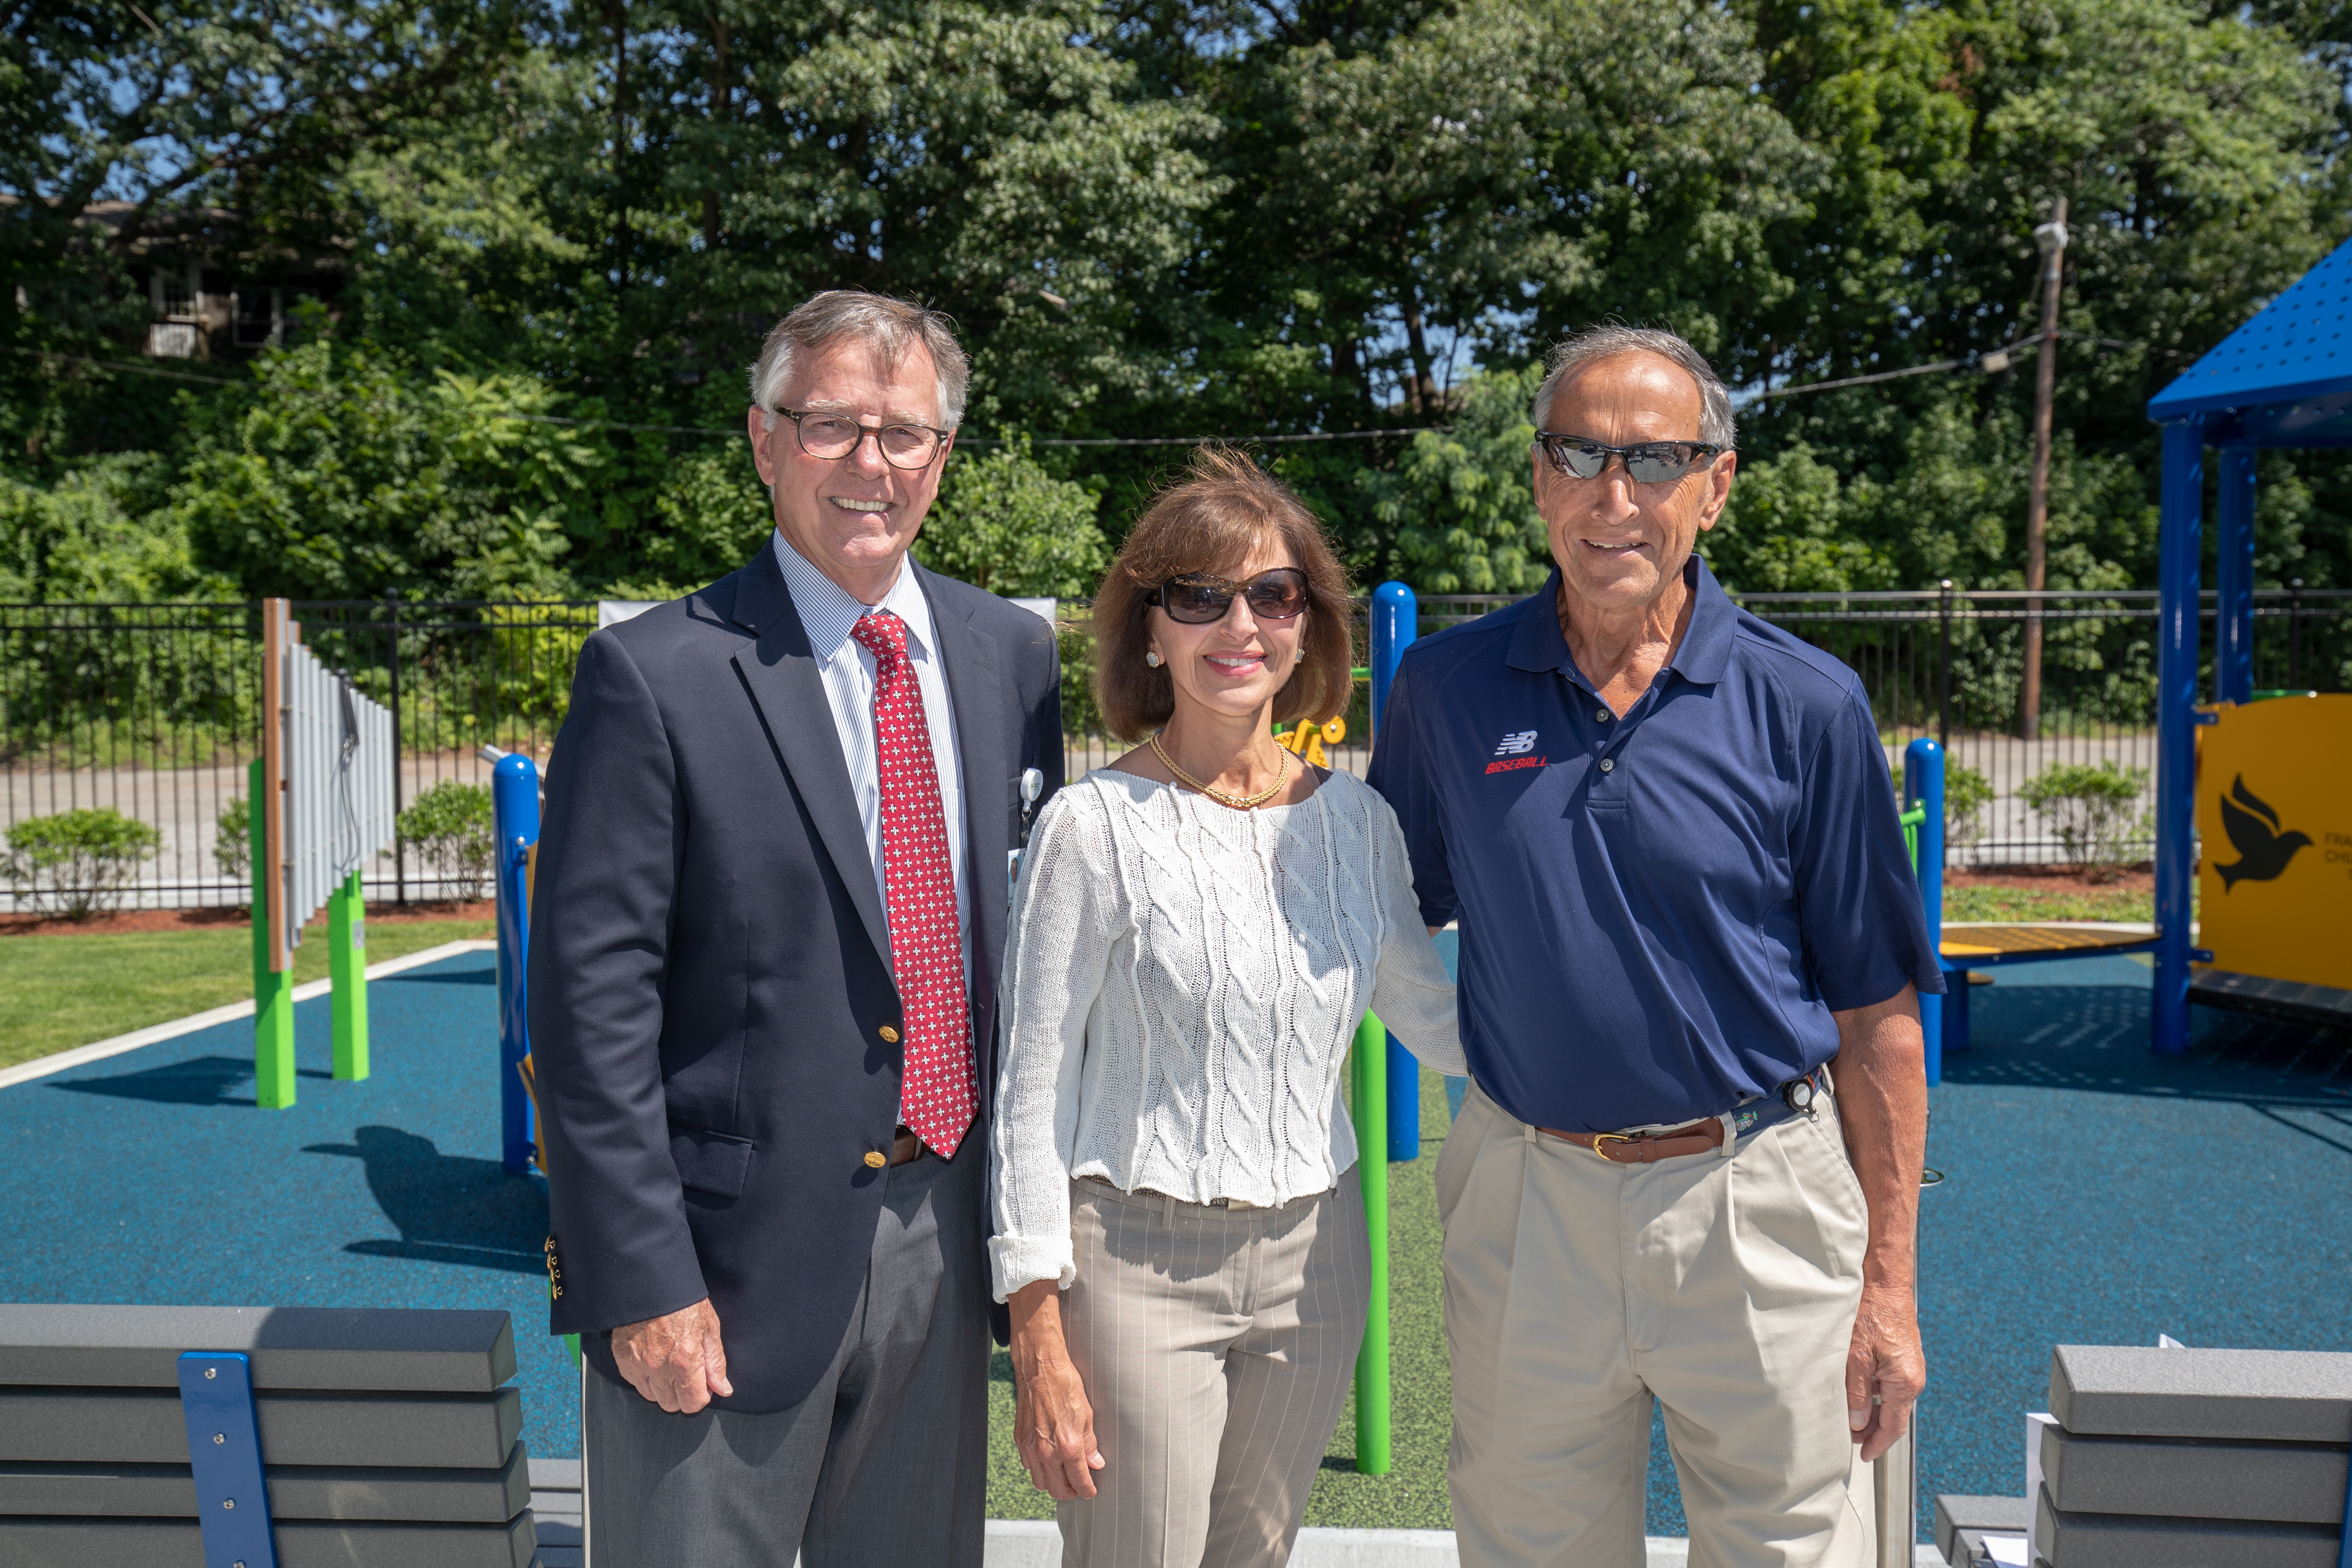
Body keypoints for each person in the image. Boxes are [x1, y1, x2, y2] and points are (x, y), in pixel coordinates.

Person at [1365, 325, 1945, 1568]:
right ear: (1536, 479)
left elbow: (1878, 1017)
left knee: (1796, 1551)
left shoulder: (1807, 706)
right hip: (1529, 1197)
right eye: (1578, 453)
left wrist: (1889, 1286)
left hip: (1757, 1197)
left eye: (1654, 458)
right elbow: (1376, 910)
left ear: (1716, 487)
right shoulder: (1448, 691)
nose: (1612, 495)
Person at [529, 290, 1064, 1568]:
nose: (871, 464)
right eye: (831, 425)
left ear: (944, 456)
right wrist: (639, 1277)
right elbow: (586, 1007)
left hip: (945, 1233)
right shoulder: (657, 675)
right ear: (764, 441)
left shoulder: (1009, 655)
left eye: (906, 433)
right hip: (717, 1269)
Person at [989, 447, 1465, 1568]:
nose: (1237, 623)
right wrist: (1038, 1328)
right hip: (1135, 1263)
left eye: (1272, 594)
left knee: (1253, 1557)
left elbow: (1437, 1023)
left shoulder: (1358, 829)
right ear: (1150, 630)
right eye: (1198, 596)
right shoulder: (1090, 829)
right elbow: (1032, 1094)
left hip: (1318, 1263)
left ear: (1307, 628)